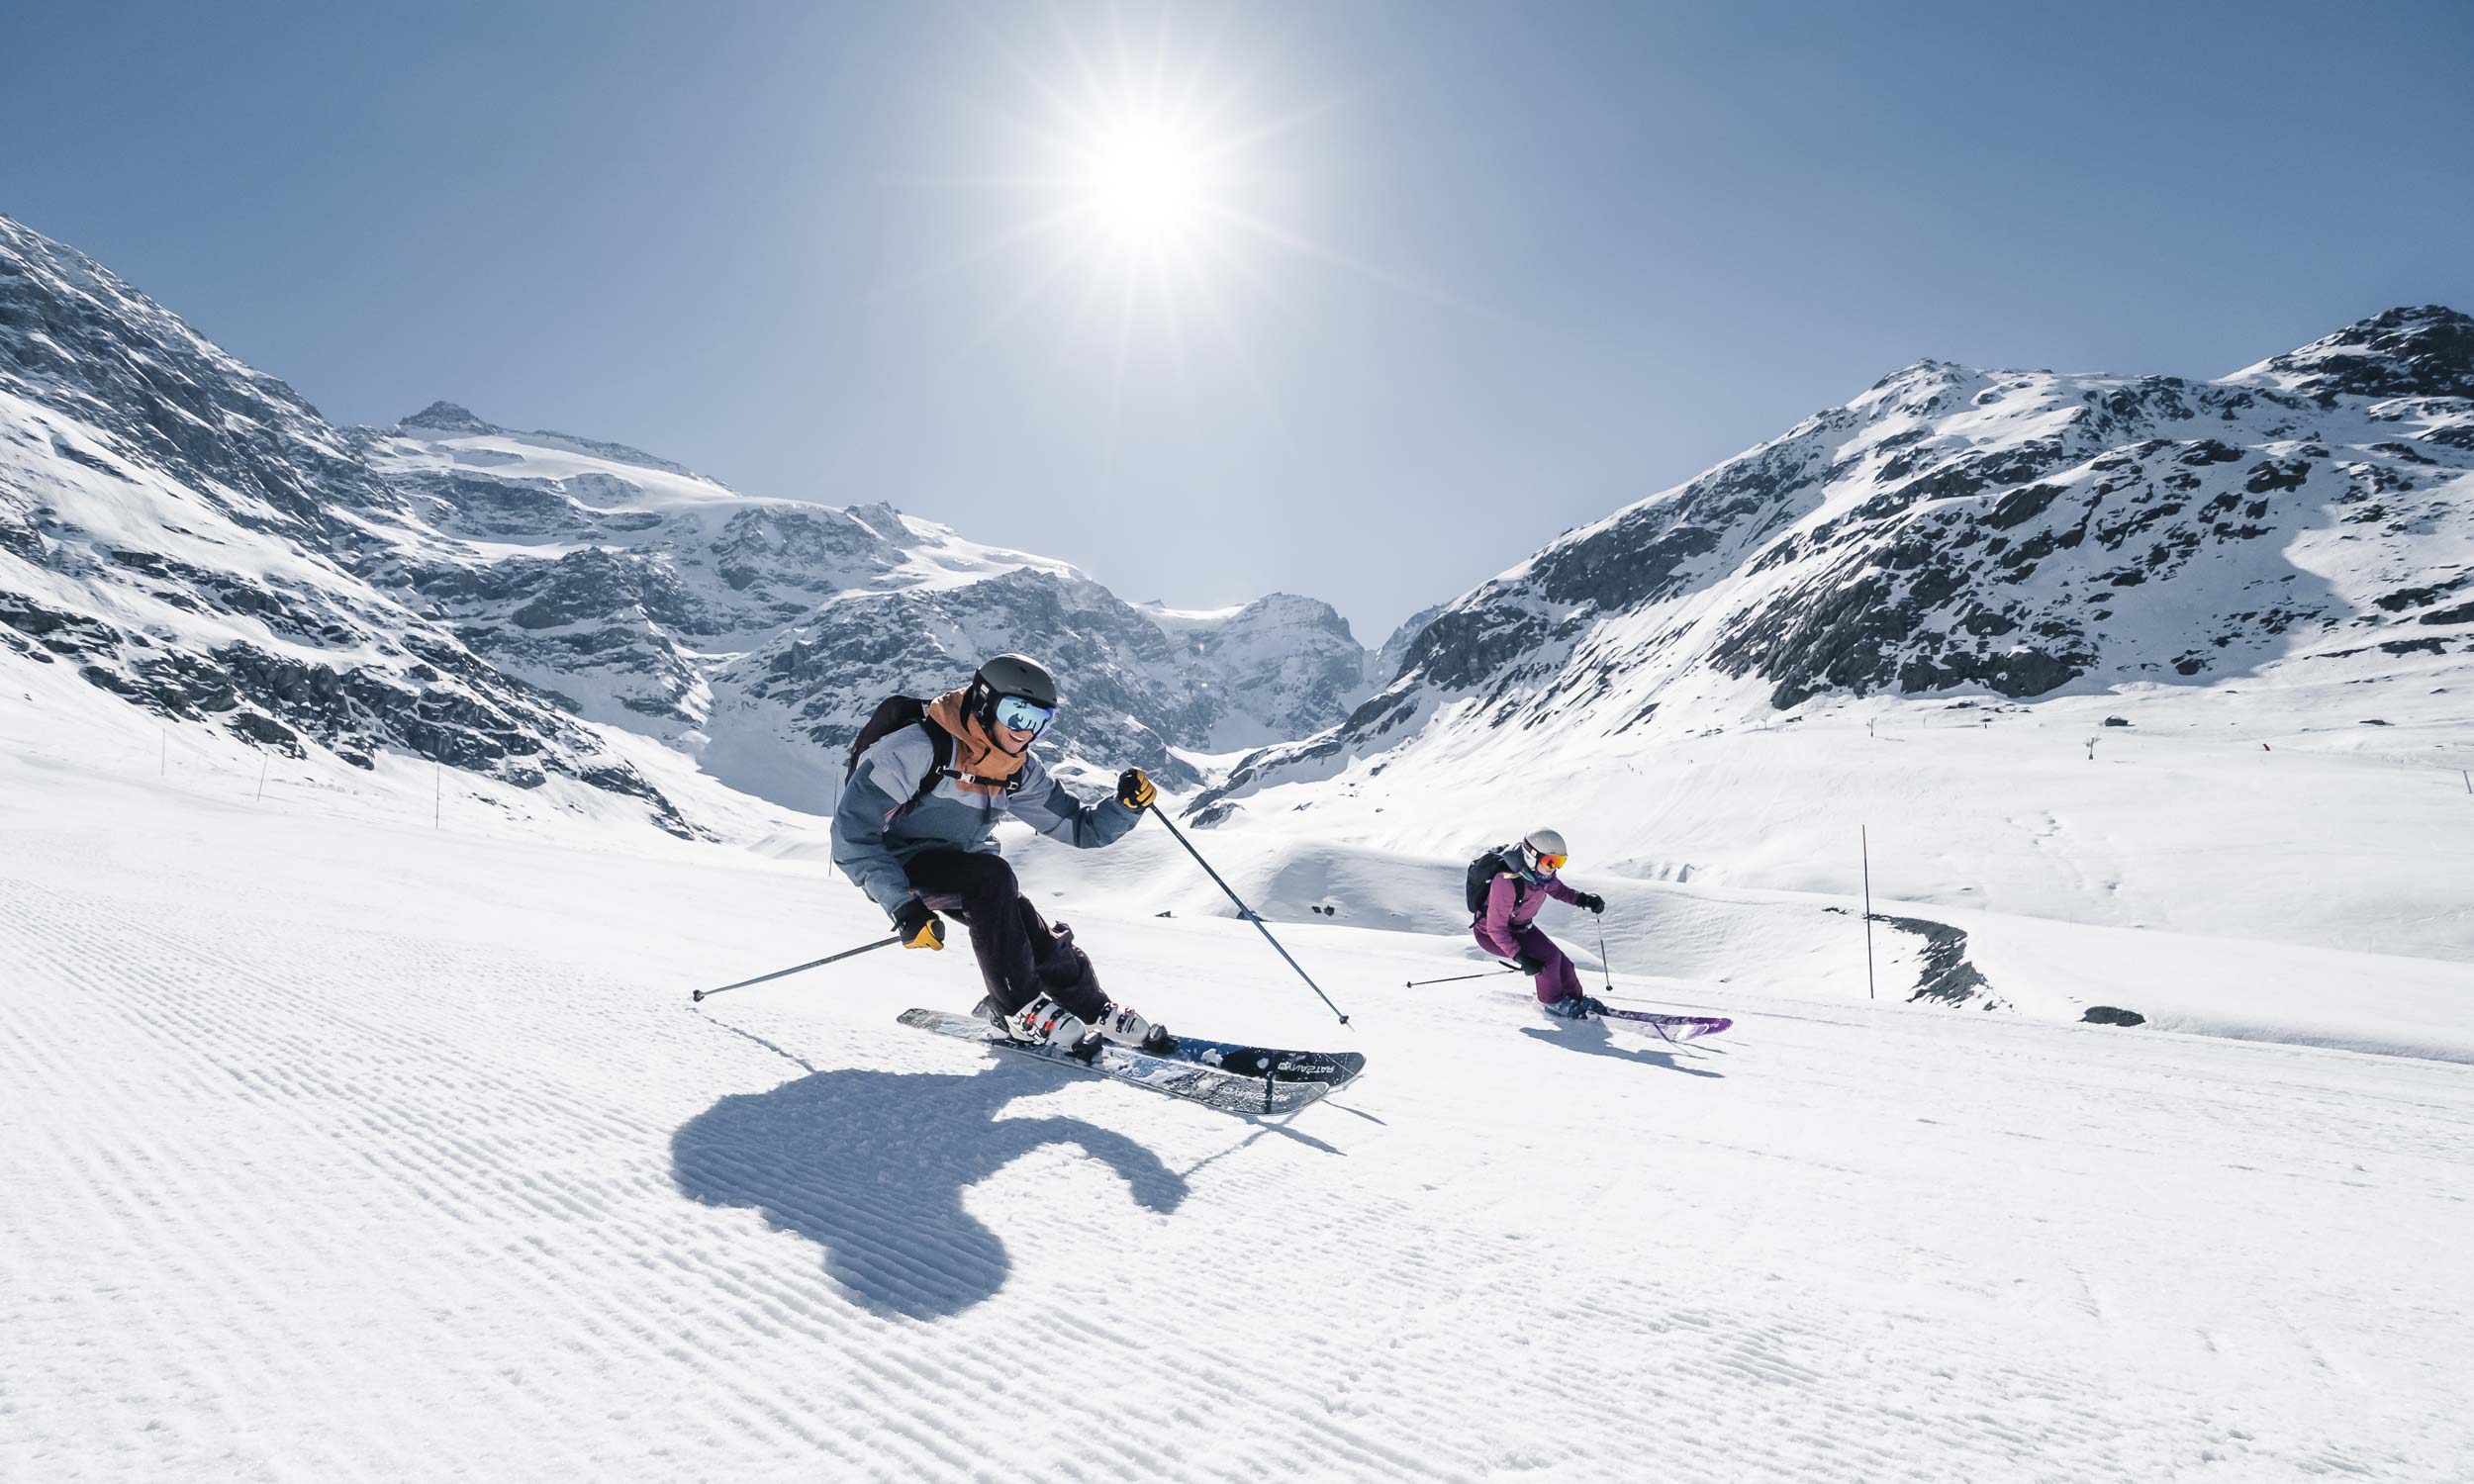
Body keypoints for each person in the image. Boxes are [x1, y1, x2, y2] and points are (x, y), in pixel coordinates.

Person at [830, 652, 1166, 1056]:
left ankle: (1091, 1008)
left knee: (1020, 919)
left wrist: (1125, 806)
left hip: (967, 867)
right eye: (1018, 714)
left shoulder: (1016, 769)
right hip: (899, 865)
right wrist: (903, 906)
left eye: (1040, 720)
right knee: (992, 878)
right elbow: (851, 836)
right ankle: (1019, 1011)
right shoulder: (915, 749)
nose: (1026, 732)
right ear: (984, 702)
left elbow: (1079, 827)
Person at [1470, 827, 1608, 1019]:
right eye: (1550, 861)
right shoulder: (1506, 881)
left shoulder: (1541, 875)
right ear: (1530, 856)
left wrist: (1584, 900)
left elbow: (1560, 890)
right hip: (1491, 934)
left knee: (1563, 962)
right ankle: (1552, 1001)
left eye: (1560, 862)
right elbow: (1496, 929)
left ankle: (1575, 997)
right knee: (1547, 960)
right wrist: (1521, 957)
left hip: (1522, 928)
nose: (1554, 868)